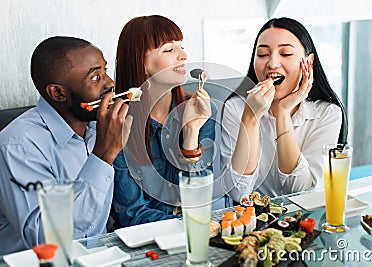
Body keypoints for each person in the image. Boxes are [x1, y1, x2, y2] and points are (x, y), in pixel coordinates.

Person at [0, 36, 132, 254]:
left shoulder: (96, 128)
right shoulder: (18, 146)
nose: (110, 83)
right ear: (58, 93)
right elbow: (49, 240)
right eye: (95, 77)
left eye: (106, 71)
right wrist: (103, 156)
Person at [220, 17, 347, 201]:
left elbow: (303, 192)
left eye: (286, 54)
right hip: (255, 222)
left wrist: (283, 113)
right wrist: (250, 118)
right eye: (262, 54)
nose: (272, 63)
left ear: (308, 62)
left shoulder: (328, 113)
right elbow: (239, 192)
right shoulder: (236, 108)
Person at [111, 15, 217, 227]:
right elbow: (132, 214)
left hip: (194, 232)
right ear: (141, 62)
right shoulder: (117, 123)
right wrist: (188, 224)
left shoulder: (201, 110)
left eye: (182, 47)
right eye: (169, 50)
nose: (184, 56)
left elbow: (199, 200)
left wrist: (190, 135)